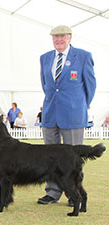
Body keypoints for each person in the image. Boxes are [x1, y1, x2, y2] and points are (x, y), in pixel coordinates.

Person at [38, 25, 96, 206]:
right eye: (55, 37)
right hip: (49, 114)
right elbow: (46, 84)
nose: (59, 40)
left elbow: (90, 86)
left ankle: (74, 194)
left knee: (72, 159)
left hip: (73, 115)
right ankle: (52, 193)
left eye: (62, 36)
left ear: (70, 37)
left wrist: (80, 106)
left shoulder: (84, 56)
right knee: (49, 158)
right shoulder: (45, 58)